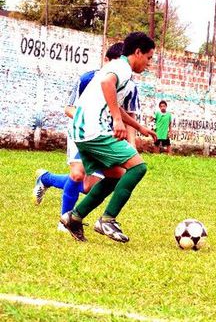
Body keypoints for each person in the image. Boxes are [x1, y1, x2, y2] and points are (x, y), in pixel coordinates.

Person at [60, 31, 157, 243]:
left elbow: (113, 100)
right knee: (138, 167)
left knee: (117, 175)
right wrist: (117, 120)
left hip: (82, 131)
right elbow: (107, 85)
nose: (149, 64)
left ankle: (74, 218)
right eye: (149, 58)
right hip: (93, 130)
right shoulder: (121, 68)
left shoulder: (117, 68)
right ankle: (107, 219)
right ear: (138, 52)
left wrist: (139, 127)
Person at [32, 42, 136, 232]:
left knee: (89, 186)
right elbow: (69, 108)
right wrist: (91, 119)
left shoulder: (129, 84)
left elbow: (128, 115)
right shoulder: (88, 79)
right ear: (106, 61)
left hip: (103, 136)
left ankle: (47, 178)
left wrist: (132, 143)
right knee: (77, 174)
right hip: (81, 131)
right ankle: (65, 221)